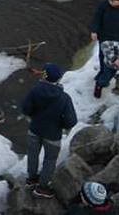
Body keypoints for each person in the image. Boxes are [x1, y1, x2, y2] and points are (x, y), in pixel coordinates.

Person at [21, 63, 77, 199]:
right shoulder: (64, 98)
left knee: (33, 154)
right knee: (50, 160)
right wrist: (60, 124)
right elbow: (71, 121)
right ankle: (42, 187)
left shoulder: (35, 91)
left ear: (45, 76)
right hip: (53, 134)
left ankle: (31, 179)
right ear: (58, 79)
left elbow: (25, 109)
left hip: (35, 129)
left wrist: (35, 115)